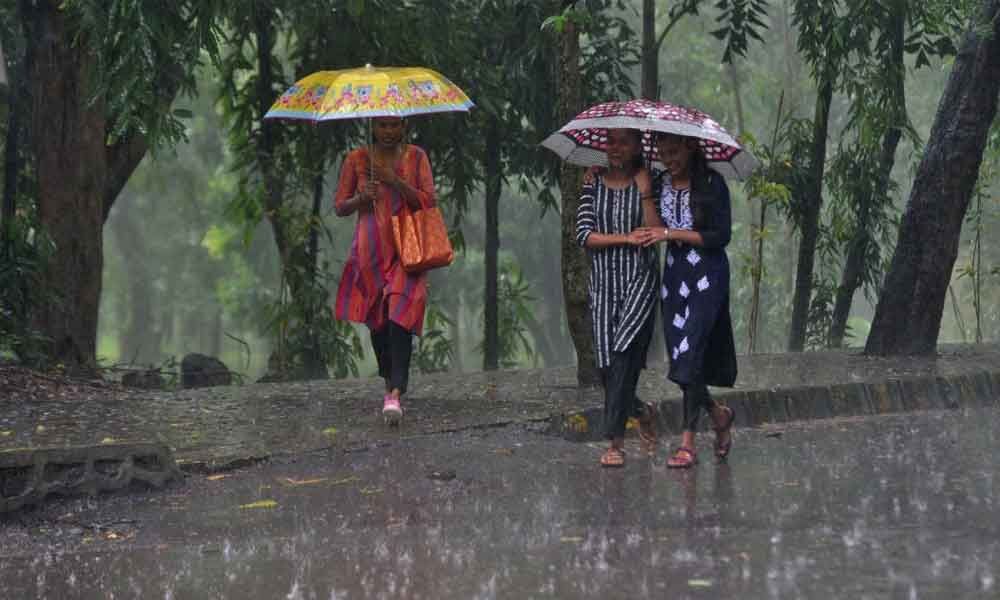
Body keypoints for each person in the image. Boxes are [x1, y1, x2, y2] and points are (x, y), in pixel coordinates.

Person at [635, 132, 738, 468]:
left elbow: (720, 236)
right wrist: (648, 196)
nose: (669, 158)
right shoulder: (661, 182)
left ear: (691, 147)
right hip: (675, 276)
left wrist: (672, 234)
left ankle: (687, 443)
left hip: (708, 275)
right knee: (681, 359)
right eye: (663, 152)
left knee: (692, 352)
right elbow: (654, 232)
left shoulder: (712, 182)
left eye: (675, 151)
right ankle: (718, 414)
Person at [334, 116, 435, 425]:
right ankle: (389, 379)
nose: (388, 131)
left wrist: (395, 181)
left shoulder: (417, 157)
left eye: (394, 125)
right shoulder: (357, 159)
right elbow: (339, 206)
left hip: (407, 249)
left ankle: (395, 392)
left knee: (400, 309)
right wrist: (361, 198)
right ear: (373, 127)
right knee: (378, 320)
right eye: (381, 125)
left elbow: (428, 201)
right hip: (369, 251)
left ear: (404, 126)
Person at [576, 128, 661, 468]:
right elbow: (584, 235)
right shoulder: (592, 182)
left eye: (624, 141)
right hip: (603, 282)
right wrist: (626, 238)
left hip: (640, 278)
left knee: (624, 352)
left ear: (638, 146)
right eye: (610, 141)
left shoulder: (651, 179)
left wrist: (645, 193)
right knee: (606, 367)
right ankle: (641, 410)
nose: (616, 148)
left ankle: (615, 443)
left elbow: (656, 232)